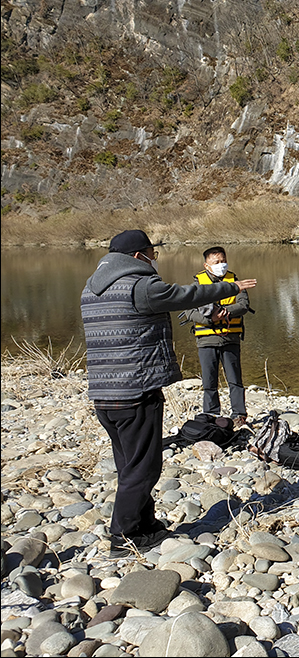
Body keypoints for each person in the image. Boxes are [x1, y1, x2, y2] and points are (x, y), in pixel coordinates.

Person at [81, 230, 256, 556]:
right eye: (152, 253)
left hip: (103, 393)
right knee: (144, 468)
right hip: (136, 391)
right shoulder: (140, 286)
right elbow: (185, 296)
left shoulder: (90, 289)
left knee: (129, 464)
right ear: (138, 256)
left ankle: (145, 525)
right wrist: (231, 287)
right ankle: (124, 536)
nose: (154, 259)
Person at [179, 246, 252, 428]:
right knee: (209, 381)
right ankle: (211, 414)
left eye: (223, 261)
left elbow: (243, 305)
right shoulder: (197, 284)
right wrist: (210, 318)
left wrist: (225, 312)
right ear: (206, 265)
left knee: (235, 379)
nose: (221, 265)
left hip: (230, 338)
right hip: (206, 340)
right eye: (216, 262)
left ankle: (239, 415)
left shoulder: (235, 282)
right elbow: (189, 311)